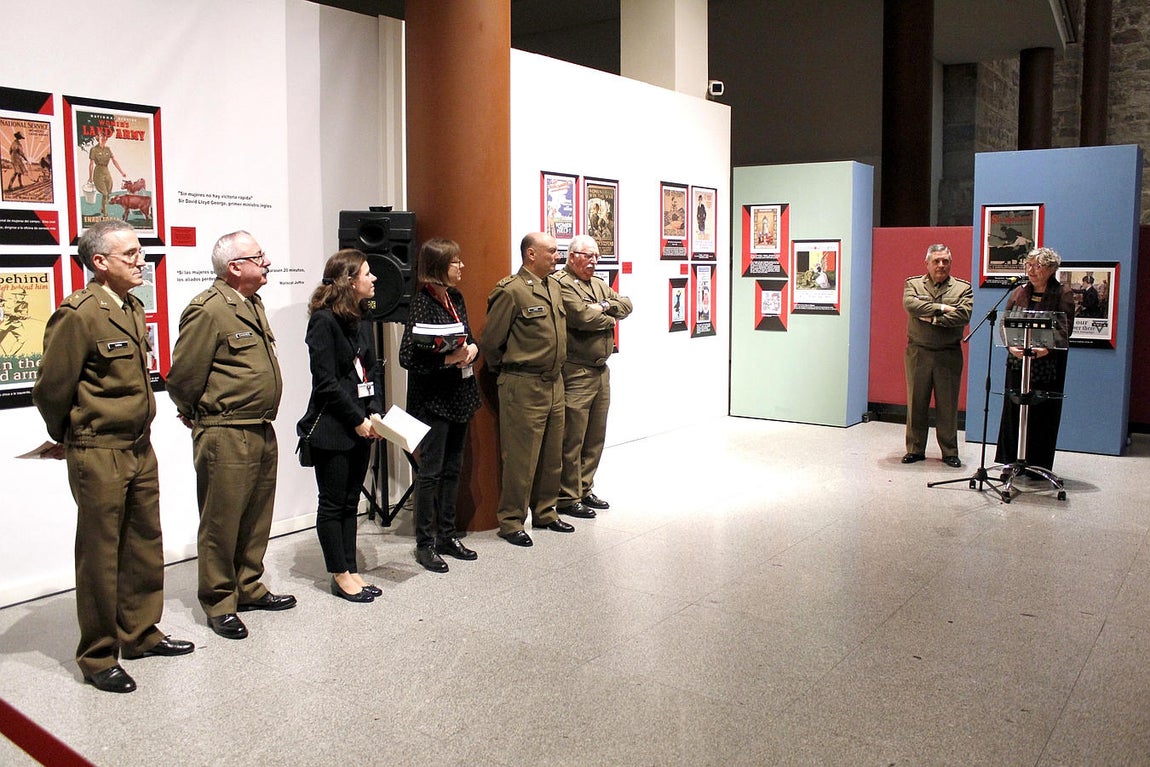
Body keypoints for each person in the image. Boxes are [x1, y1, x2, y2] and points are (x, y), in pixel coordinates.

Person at [32, 219, 194, 693]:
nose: (140, 260)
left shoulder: (130, 306)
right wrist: (70, 435)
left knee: (144, 543)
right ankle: (99, 654)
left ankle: (141, 633)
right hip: (98, 450)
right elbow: (51, 389)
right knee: (100, 556)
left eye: (139, 252)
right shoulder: (78, 313)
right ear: (100, 262)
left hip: (139, 446)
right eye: (130, 254)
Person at [167, 231, 296, 641]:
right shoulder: (208, 310)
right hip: (225, 431)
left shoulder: (251, 304)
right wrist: (196, 414)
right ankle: (220, 602)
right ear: (235, 267)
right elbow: (183, 376)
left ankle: (249, 586)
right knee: (221, 521)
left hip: (259, 427)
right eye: (259, 256)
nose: (268, 261)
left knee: (256, 517)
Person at [298, 249, 385, 601]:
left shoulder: (361, 317)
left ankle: (351, 568)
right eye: (367, 273)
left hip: (363, 424)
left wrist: (375, 413)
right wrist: (357, 420)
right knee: (333, 504)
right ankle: (339, 573)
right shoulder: (323, 321)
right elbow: (326, 382)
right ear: (350, 281)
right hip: (335, 428)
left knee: (352, 502)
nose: (374, 278)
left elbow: (372, 370)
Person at [480, 232, 574, 546]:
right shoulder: (512, 291)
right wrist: (509, 371)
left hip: (554, 383)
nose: (557, 255)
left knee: (551, 455)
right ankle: (511, 521)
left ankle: (546, 513)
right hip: (523, 384)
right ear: (531, 254)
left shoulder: (554, 286)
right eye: (551, 251)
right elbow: (491, 342)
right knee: (521, 458)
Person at [399, 238, 481, 572]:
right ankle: (425, 543)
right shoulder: (420, 302)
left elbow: (468, 336)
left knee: (453, 469)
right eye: (456, 262)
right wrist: (448, 359)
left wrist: (472, 349)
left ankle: (448, 534)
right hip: (433, 400)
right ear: (437, 266)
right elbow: (408, 357)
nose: (462, 267)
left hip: (459, 396)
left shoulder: (456, 297)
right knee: (429, 473)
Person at [554, 234, 633, 518]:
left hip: (601, 370)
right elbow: (581, 317)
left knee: (595, 436)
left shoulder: (598, 284)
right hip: (576, 371)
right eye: (588, 256)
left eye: (597, 256)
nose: (594, 261)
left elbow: (626, 304)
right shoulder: (562, 284)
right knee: (572, 437)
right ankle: (566, 496)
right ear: (572, 256)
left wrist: (604, 307)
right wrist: (607, 313)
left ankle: (585, 489)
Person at [995, 247, 1076, 472]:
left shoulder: (1063, 294)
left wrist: (1045, 349)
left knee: (1041, 413)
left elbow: (1064, 329)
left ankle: (1037, 466)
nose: (1031, 270)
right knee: (1013, 410)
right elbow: (1004, 324)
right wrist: (1011, 345)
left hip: (1046, 365)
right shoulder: (1018, 292)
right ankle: (1011, 461)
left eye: (1037, 265)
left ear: (1051, 269)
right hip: (1018, 361)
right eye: (1028, 265)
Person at [901, 243, 973, 468]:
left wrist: (932, 317)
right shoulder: (912, 284)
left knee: (948, 405)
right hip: (918, 353)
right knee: (916, 403)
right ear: (928, 263)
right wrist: (944, 309)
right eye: (936, 261)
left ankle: (949, 452)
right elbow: (911, 305)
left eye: (945, 261)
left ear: (950, 263)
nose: (941, 265)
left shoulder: (963, 288)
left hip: (948, 354)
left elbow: (963, 315)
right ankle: (915, 449)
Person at [87, 132, 126, 217]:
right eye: (101, 136)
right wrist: (90, 177)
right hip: (98, 172)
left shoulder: (108, 149)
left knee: (109, 191)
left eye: (105, 137)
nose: (103, 138)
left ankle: (102, 207)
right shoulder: (94, 149)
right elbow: (91, 163)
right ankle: (105, 213)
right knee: (104, 193)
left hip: (106, 170)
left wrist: (121, 172)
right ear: (98, 138)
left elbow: (114, 161)